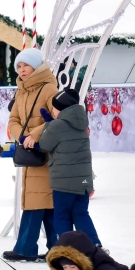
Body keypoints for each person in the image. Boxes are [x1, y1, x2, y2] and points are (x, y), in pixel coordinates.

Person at [4, 48, 59, 262]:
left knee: (39, 201)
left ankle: (27, 248)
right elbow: (13, 120)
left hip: (46, 153)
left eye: (25, 65)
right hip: (30, 154)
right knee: (44, 202)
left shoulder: (49, 88)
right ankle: (57, 249)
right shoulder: (22, 91)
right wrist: (23, 136)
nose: (22, 69)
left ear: (36, 65)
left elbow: (56, 119)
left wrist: (35, 135)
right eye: (18, 66)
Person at [38, 88, 100, 245]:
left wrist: (47, 125)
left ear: (61, 108)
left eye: (54, 107)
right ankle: (94, 245)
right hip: (83, 182)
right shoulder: (82, 123)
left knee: (62, 215)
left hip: (63, 183)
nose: (52, 110)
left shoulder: (57, 125)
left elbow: (44, 144)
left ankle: (68, 247)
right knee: (81, 214)